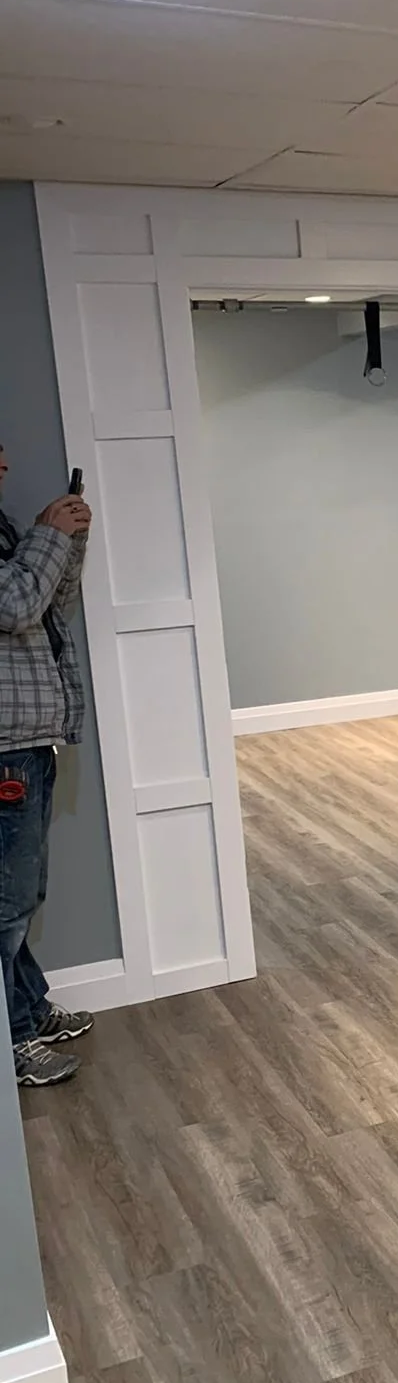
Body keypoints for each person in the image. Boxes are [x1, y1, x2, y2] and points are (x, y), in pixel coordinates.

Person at [0, 444, 94, 1086]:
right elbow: (13, 607)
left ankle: (28, 1007)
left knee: (23, 895)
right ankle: (14, 1041)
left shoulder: (7, 530)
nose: (3, 466)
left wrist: (64, 540)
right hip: (4, 749)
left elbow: (51, 603)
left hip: (28, 739)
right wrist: (46, 535)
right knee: (5, 905)